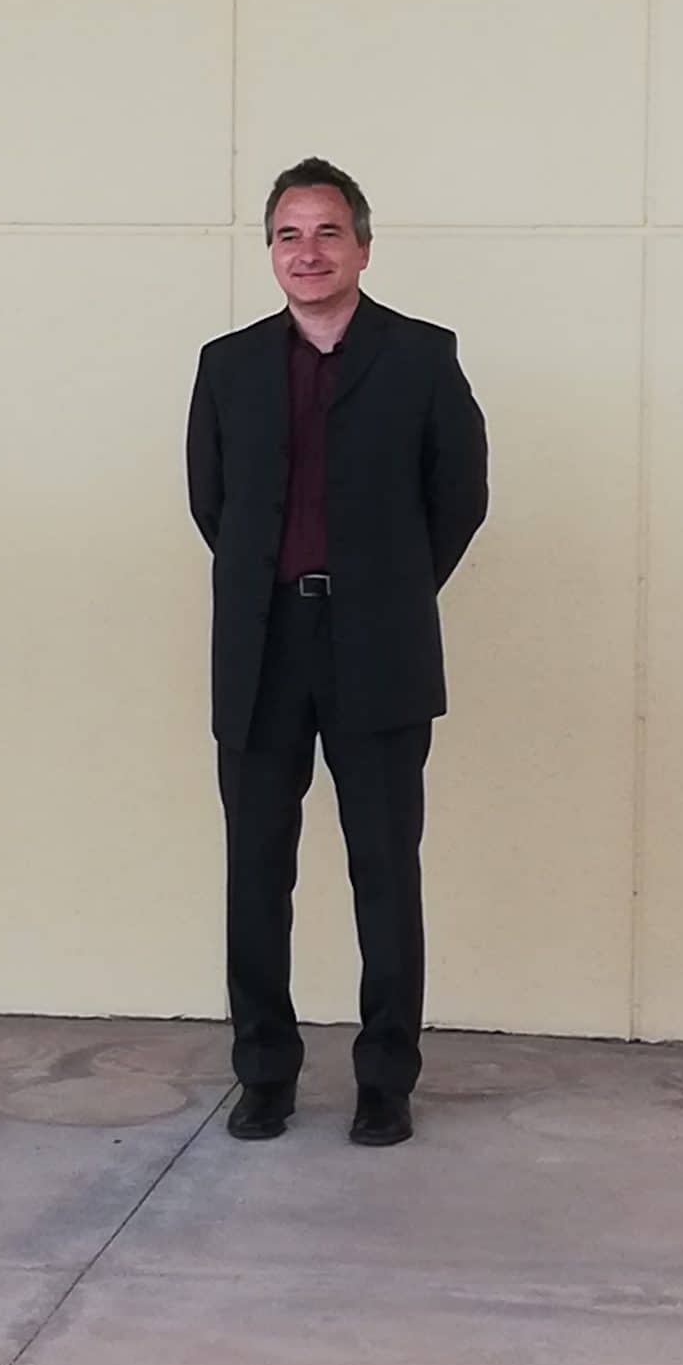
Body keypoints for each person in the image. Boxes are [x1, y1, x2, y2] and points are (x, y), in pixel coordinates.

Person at [185, 157, 488, 1148]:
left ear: (361, 246)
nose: (306, 252)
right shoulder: (227, 365)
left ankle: (385, 1080)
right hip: (260, 648)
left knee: (384, 871)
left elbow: (459, 498)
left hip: (377, 646)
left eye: (326, 233)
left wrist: (388, 591)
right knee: (253, 872)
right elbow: (213, 505)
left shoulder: (421, 356)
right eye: (288, 234)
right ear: (270, 251)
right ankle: (264, 1075)